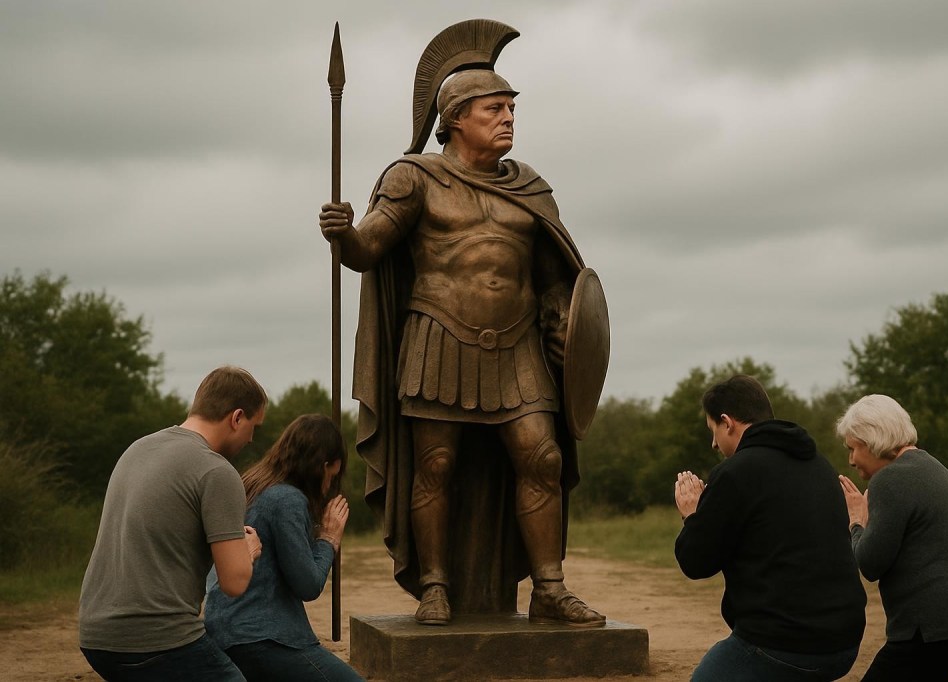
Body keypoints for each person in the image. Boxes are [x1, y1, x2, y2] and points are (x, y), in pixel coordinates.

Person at [318, 67, 605, 626]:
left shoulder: (528, 186)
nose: (507, 119)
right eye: (492, 109)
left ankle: (549, 588)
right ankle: (434, 585)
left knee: (541, 458)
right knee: (436, 464)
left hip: (518, 343)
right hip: (439, 338)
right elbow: (368, 249)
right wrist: (343, 233)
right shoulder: (415, 178)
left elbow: (556, 276)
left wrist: (562, 319)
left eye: (511, 109)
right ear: (453, 121)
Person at [79, 366, 267, 681]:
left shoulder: (137, 449)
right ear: (236, 418)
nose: (251, 439)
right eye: (253, 425)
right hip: (156, 639)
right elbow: (234, 583)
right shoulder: (216, 471)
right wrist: (248, 550)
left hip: (95, 635)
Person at [674, 375, 866, 681]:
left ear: (727, 423)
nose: (713, 443)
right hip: (845, 643)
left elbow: (696, 562)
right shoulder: (820, 464)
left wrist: (692, 514)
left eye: (713, 431)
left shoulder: (735, 472)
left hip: (784, 644)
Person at [837, 394, 948, 682]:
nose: (851, 460)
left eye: (854, 448)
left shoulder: (890, 480)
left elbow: (870, 563)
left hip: (933, 627)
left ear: (873, 440)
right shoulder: (933, 467)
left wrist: (856, 521)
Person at [204, 413, 365, 681]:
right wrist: (328, 539)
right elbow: (308, 585)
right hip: (262, 637)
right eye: (332, 474)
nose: (330, 484)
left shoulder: (253, 483)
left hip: (224, 629)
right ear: (325, 465)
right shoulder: (286, 499)